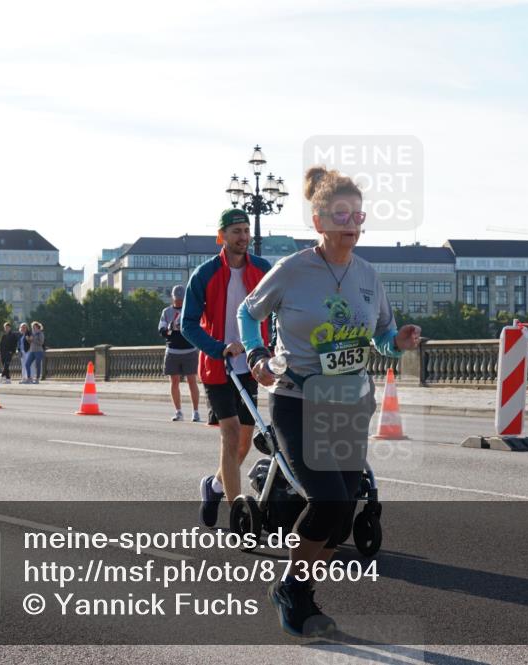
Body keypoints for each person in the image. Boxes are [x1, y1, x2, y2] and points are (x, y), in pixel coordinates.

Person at [239, 166, 421, 637]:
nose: (351, 222)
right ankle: (292, 591)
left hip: (347, 401)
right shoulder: (293, 270)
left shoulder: (368, 275)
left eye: (357, 214)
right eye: (340, 214)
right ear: (318, 221)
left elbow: (379, 337)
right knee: (328, 500)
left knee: (341, 513)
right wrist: (257, 352)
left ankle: (298, 587)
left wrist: (397, 341)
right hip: (297, 398)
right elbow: (247, 311)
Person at [181, 208, 272, 528]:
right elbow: (187, 324)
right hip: (218, 368)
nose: (244, 237)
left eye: (247, 230)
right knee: (231, 435)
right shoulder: (204, 274)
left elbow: (276, 311)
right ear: (222, 237)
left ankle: (215, 486)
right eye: (236, 231)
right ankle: (239, 515)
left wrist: (269, 346)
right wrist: (218, 348)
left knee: (246, 441)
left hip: (251, 366)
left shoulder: (263, 269)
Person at [159, 284, 201, 422]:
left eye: (181, 299)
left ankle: (195, 412)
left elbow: (197, 328)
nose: (179, 301)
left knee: (191, 381)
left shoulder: (190, 311)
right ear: (172, 298)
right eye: (177, 299)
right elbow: (162, 331)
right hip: (172, 350)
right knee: (174, 381)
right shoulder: (167, 312)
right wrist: (171, 328)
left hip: (189, 350)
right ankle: (178, 411)